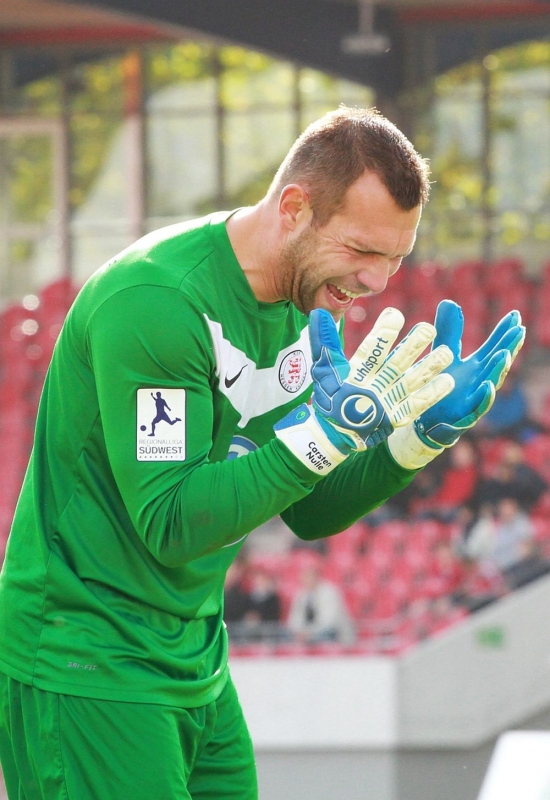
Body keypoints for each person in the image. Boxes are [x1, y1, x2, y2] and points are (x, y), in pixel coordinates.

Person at [0, 106, 524, 800]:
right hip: (86, 658)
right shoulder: (158, 300)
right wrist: (325, 437)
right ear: (294, 209)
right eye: (362, 251)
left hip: (195, 657)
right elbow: (170, 523)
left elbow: (309, 509)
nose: (376, 282)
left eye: (395, 259)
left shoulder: (309, 305)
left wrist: (415, 441)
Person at [287, 565, 355, 646]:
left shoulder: (330, 592)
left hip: (333, 632)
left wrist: (310, 632)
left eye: (308, 577)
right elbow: (294, 618)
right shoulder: (301, 594)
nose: (304, 580)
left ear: (316, 577)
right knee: (282, 635)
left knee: (324, 635)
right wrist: (299, 631)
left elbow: (329, 621)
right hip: (307, 633)